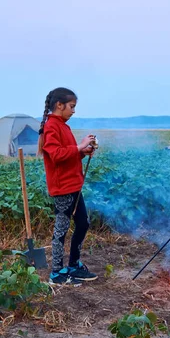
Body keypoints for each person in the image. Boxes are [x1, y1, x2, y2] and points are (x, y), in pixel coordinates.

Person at [37, 87, 98, 286]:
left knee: (83, 223)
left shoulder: (63, 125)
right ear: (59, 105)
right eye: (71, 107)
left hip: (74, 185)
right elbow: (56, 155)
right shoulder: (52, 126)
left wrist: (82, 152)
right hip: (63, 187)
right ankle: (56, 273)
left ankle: (73, 264)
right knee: (61, 229)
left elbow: (67, 155)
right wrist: (79, 146)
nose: (73, 111)